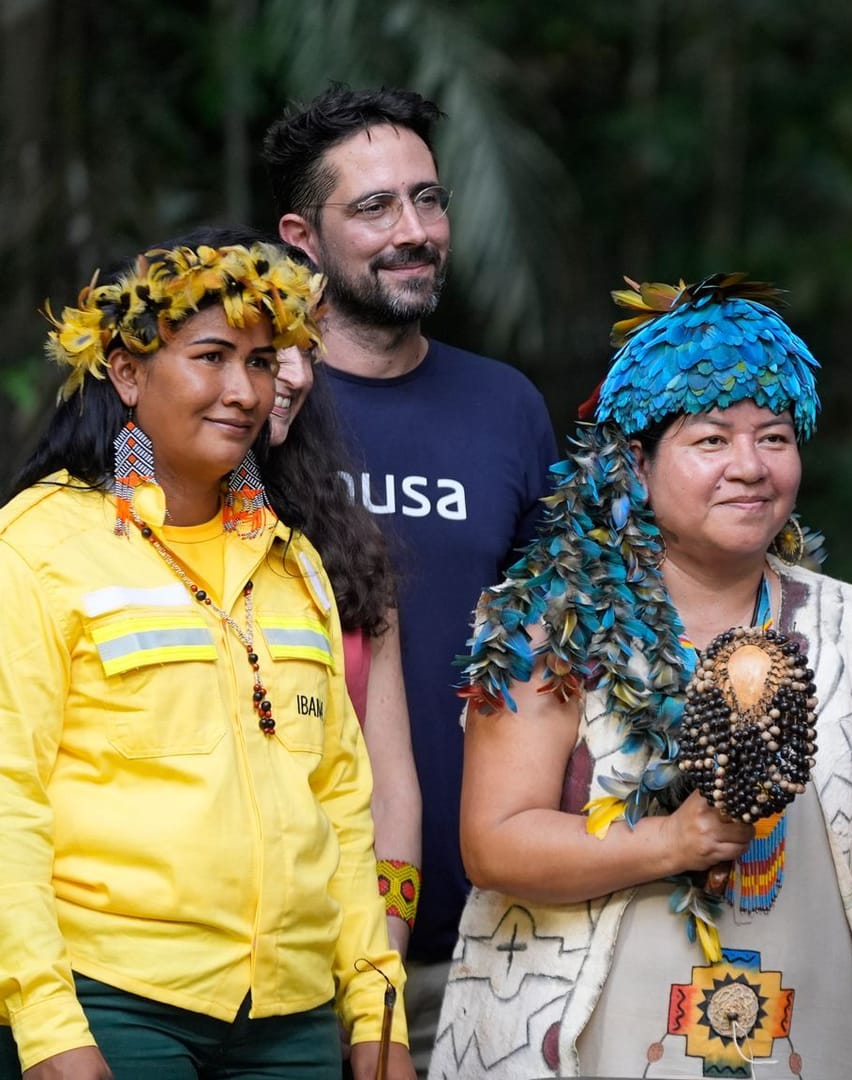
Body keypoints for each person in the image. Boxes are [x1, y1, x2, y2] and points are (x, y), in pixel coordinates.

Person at [428, 274, 852, 1079]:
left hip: (804, 1029)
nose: (749, 466)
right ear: (637, 467)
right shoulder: (554, 625)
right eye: (712, 440)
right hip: (584, 1034)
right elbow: (495, 842)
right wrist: (671, 840)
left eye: (775, 438)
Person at [0, 240, 410, 1079]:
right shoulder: (39, 545)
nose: (244, 391)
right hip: (114, 1005)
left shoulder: (294, 564)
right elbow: (10, 801)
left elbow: (340, 804)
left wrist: (377, 1012)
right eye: (212, 357)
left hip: (291, 1022)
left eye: (261, 362)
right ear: (125, 372)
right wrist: (49, 1029)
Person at [264, 84, 557, 1063]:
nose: (415, 231)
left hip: (485, 934)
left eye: (428, 200)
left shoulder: (505, 406)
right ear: (302, 235)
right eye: (375, 208)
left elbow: (560, 652)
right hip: (283, 941)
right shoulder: (249, 409)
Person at [179, 224, 426, 958]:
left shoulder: (348, 546)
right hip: (148, 961)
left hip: (320, 966)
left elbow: (390, 791)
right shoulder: (90, 533)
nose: (291, 374)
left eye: (304, 348)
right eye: (256, 351)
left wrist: (381, 965)